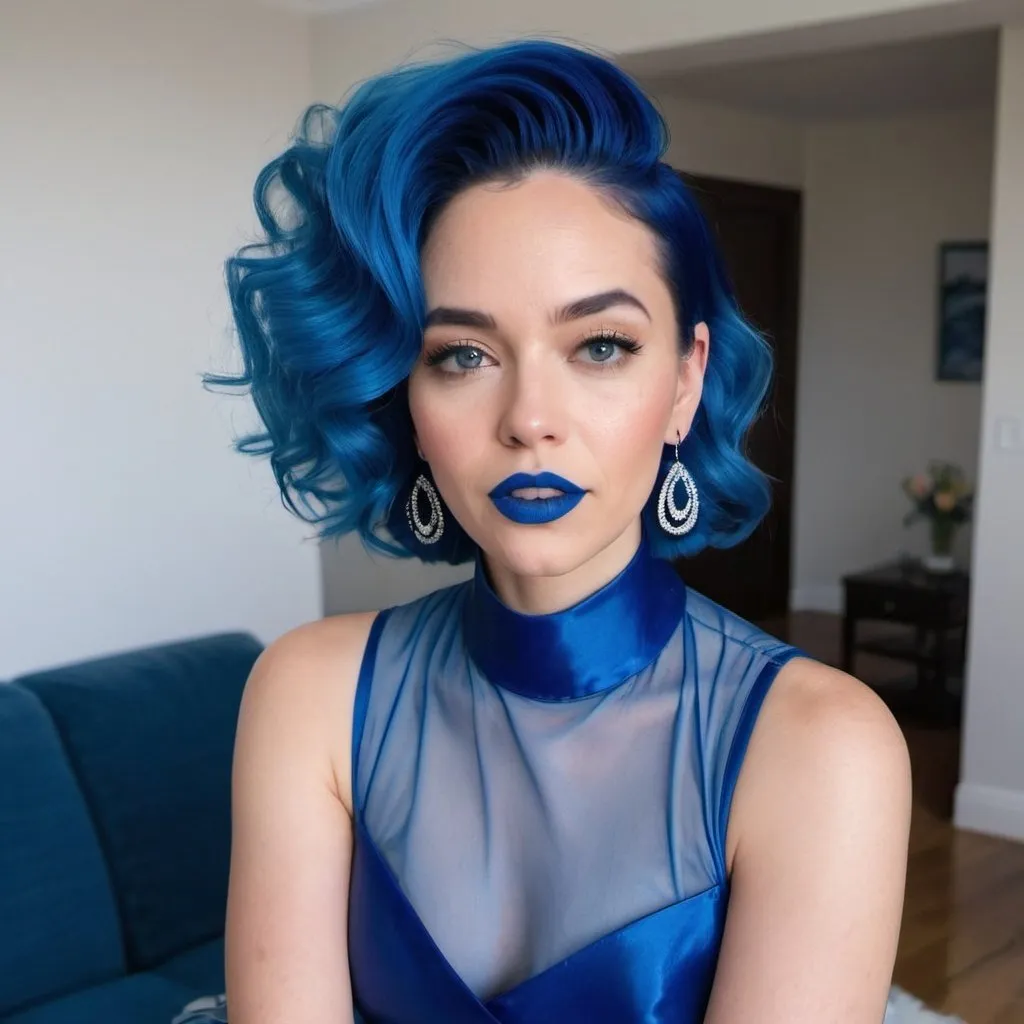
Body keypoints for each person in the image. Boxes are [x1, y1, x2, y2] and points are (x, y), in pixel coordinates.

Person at [180, 38, 912, 1024]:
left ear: (685, 381)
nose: (530, 417)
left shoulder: (821, 749)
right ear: (405, 392)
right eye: (464, 354)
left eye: (599, 345)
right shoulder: (310, 698)